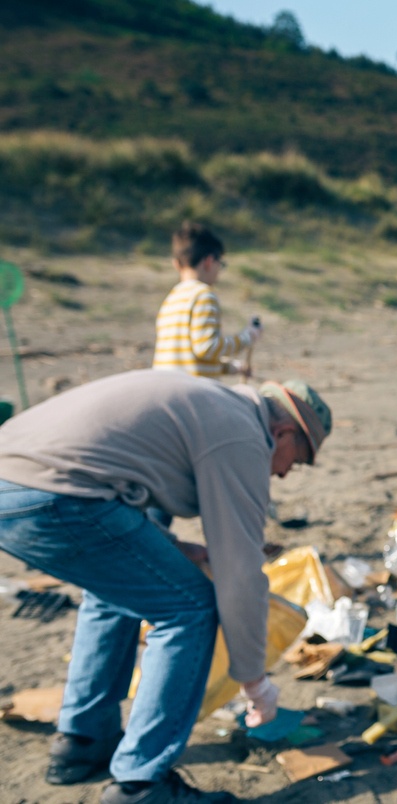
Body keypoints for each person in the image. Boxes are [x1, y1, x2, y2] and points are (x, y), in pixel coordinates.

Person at [0, 370, 332, 804]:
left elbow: (119, 481)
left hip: (14, 483)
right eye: (298, 459)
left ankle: (82, 744)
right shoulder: (243, 435)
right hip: (55, 495)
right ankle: (142, 785)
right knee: (189, 609)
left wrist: (175, 548)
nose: (287, 474)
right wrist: (255, 683)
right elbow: (240, 575)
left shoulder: (210, 405)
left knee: (115, 592)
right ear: (284, 431)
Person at [153, 221, 262, 378]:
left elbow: (191, 358)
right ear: (209, 262)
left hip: (166, 386)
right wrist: (247, 337)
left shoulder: (171, 299)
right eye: (221, 264)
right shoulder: (204, 295)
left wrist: (234, 368)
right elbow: (206, 347)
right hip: (191, 394)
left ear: (176, 264)